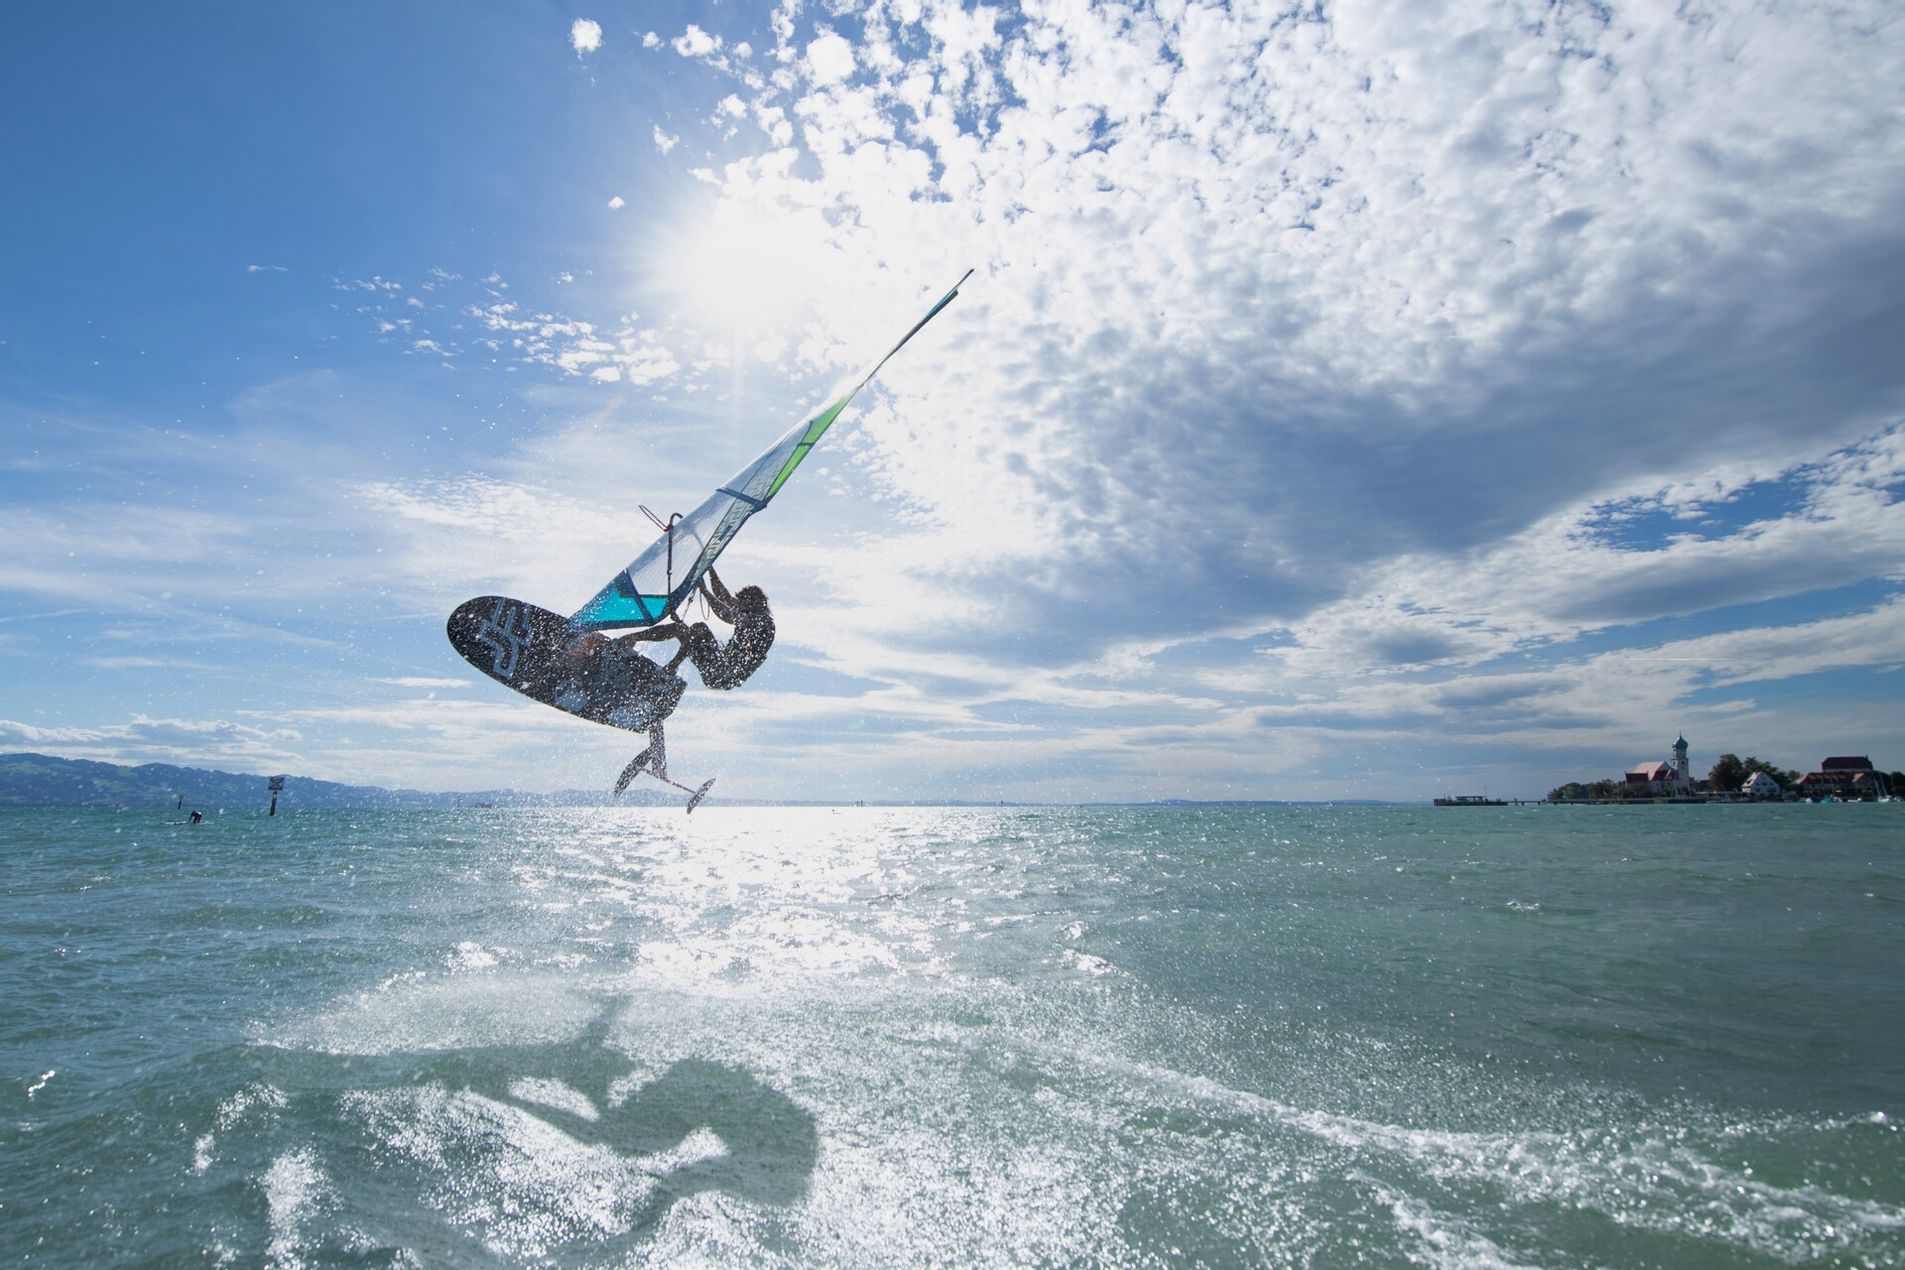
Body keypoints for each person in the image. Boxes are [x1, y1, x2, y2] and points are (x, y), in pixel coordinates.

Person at [551, 632, 687, 792]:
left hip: (636, 686)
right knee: (655, 712)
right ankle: (659, 768)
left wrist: (633, 639)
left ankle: (659, 768)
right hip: (628, 687)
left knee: (656, 711)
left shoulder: (609, 654)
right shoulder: (600, 663)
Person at [621, 567, 775, 691]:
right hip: (717, 664)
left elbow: (727, 615)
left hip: (724, 674)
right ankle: (630, 638)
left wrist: (705, 591)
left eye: (741, 604)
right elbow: (724, 597)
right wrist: (709, 568)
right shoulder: (750, 611)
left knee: (699, 628)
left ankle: (672, 667)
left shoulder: (762, 621)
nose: (738, 606)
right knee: (680, 629)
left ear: (753, 603)